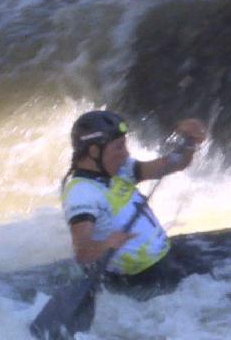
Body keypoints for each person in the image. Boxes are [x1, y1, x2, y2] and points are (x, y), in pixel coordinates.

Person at [61, 109, 207, 299]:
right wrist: (106, 244)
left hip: (166, 259)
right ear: (94, 151)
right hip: (144, 281)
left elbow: (173, 164)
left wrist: (189, 142)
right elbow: (83, 252)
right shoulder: (82, 193)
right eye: (119, 147)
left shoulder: (120, 169)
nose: (126, 153)